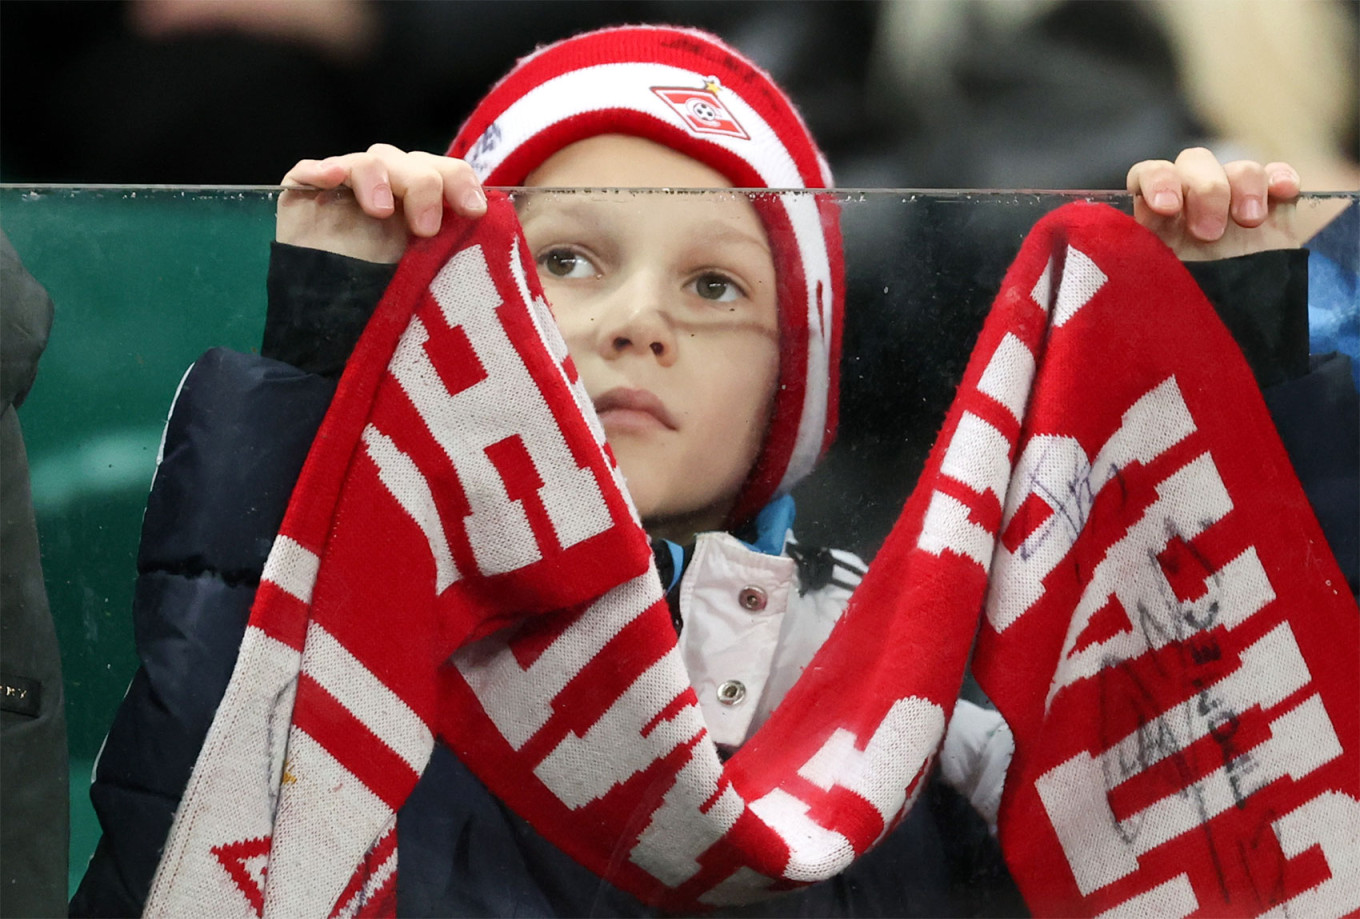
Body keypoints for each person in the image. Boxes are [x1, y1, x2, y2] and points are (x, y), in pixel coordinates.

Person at [73, 24, 1328, 919]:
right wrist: (333, 368)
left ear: (789, 394)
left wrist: (1229, 373)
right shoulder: (374, 663)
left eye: (715, 284)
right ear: (471, 325)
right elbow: (184, 855)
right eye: (565, 259)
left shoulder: (926, 712)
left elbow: (1233, 815)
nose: (632, 320)